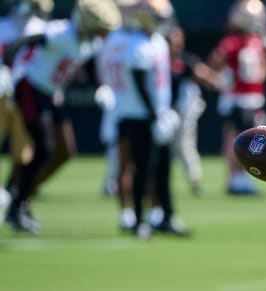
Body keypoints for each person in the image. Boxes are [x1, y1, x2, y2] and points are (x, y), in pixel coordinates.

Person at [3, 0, 122, 234]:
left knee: (65, 150)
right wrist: (6, 67)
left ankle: (22, 194)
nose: (105, 35)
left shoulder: (89, 42)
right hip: (31, 87)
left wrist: (99, 87)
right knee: (44, 147)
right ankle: (16, 203)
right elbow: (23, 42)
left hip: (50, 92)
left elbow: (86, 65)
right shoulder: (62, 33)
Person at [98, 0, 182, 237]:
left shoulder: (154, 42)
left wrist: (163, 111)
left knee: (163, 168)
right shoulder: (138, 44)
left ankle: (165, 215)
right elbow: (138, 80)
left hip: (155, 113)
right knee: (141, 169)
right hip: (139, 114)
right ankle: (138, 219)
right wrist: (155, 114)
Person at [208, 0, 266, 196]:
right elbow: (214, 62)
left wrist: (258, 77)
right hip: (237, 98)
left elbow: (265, 66)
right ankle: (235, 180)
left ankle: (244, 178)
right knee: (237, 140)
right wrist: (222, 80)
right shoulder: (232, 42)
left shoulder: (257, 41)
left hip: (254, 98)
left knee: (255, 140)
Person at [0, 0, 51, 209]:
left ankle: (15, 194)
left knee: (25, 151)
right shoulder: (3, 25)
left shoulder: (40, 28)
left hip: (25, 96)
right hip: (1, 95)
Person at [168, 24, 220, 196]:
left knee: (185, 146)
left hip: (182, 112)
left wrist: (218, 80)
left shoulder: (185, 60)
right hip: (162, 112)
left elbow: (206, 75)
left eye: (178, 39)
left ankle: (194, 181)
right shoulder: (158, 58)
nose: (175, 42)